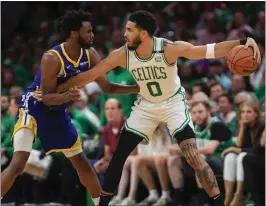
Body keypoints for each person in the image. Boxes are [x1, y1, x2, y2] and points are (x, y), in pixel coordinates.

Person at [55, 10, 261, 206]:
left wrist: (242, 42)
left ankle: (218, 202)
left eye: (129, 30)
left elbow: (208, 50)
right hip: (146, 106)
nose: (124, 34)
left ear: (143, 33)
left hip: (173, 104)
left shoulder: (168, 48)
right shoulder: (123, 54)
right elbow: (90, 74)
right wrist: (56, 88)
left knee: (193, 156)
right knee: (119, 157)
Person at [1, 9, 140, 205]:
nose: (92, 35)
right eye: (88, 31)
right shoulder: (52, 57)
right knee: (19, 162)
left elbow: (107, 87)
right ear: (74, 33)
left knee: (83, 164)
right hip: (33, 107)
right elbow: (47, 98)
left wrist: (139, 87)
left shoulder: (90, 55)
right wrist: (67, 95)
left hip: (58, 112)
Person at [167, 101, 233, 206]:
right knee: (173, 160)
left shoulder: (217, 125)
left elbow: (209, 150)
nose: (197, 115)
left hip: (223, 161)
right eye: (194, 113)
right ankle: (179, 198)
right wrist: (175, 148)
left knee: (199, 157)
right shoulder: (193, 126)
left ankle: (204, 200)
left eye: (200, 112)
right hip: (205, 161)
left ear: (208, 112)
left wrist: (181, 150)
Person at [221, 101, 265, 206]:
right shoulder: (245, 125)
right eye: (243, 112)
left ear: (256, 114)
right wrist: (242, 128)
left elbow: (256, 150)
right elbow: (238, 146)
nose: (245, 114)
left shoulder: (262, 126)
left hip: (261, 158)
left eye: (249, 112)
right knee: (230, 157)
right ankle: (229, 195)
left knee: (241, 156)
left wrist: (234, 149)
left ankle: (239, 194)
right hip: (250, 157)